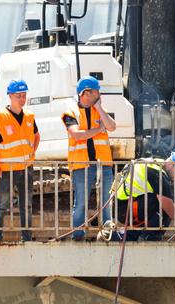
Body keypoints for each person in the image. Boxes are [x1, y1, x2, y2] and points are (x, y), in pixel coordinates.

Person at [63, 76, 117, 240]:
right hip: (82, 165)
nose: (99, 94)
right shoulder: (71, 113)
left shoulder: (100, 111)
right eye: (96, 91)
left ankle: (108, 234)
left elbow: (112, 127)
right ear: (86, 93)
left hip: (104, 164)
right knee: (80, 204)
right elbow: (77, 135)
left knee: (106, 203)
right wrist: (98, 129)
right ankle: (78, 235)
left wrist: (100, 109)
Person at [0, 79, 40, 241]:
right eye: (18, 96)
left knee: (27, 205)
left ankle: (27, 237)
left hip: (26, 168)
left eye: (24, 95)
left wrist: (31, 153)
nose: (22, 99)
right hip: (7, 168)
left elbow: (37, 136)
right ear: (10, 96)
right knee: (2, 205)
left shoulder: (30, 116)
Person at [113, 150, 175, 241]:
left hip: (125, 206)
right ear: (171, 164)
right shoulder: (157, 173)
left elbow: (170, 201)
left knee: (162, 203)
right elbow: (169, 207)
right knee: (163, 207)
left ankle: (127, 236)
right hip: (125, 209)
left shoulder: (157, 165)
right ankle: (150, 237)